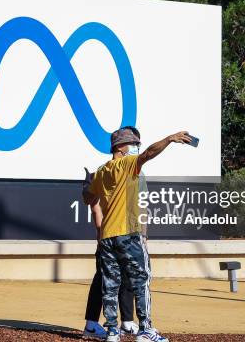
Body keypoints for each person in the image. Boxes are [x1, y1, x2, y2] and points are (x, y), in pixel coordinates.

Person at [83, 126, 192, 342]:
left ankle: (112, 331)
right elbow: (149, 154)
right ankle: (145, 330)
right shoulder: (126, 164)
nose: (137, 148)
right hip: (128, 233)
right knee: (141, 280)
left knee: (110, 284)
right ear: (121, 147)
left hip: (107, 237)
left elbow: (88, 197)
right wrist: (169, 138)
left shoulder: (102, 171)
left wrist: (88, 184)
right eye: (133, 144)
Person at [82, 181, 139, 339]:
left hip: (120, 240)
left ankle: (127, 323)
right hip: (108, 242)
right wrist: (101, 236)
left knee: (126, 278)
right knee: (102, 281)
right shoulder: (104, 183)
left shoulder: (120, 189)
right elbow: (94, 207)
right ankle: (92, 325)